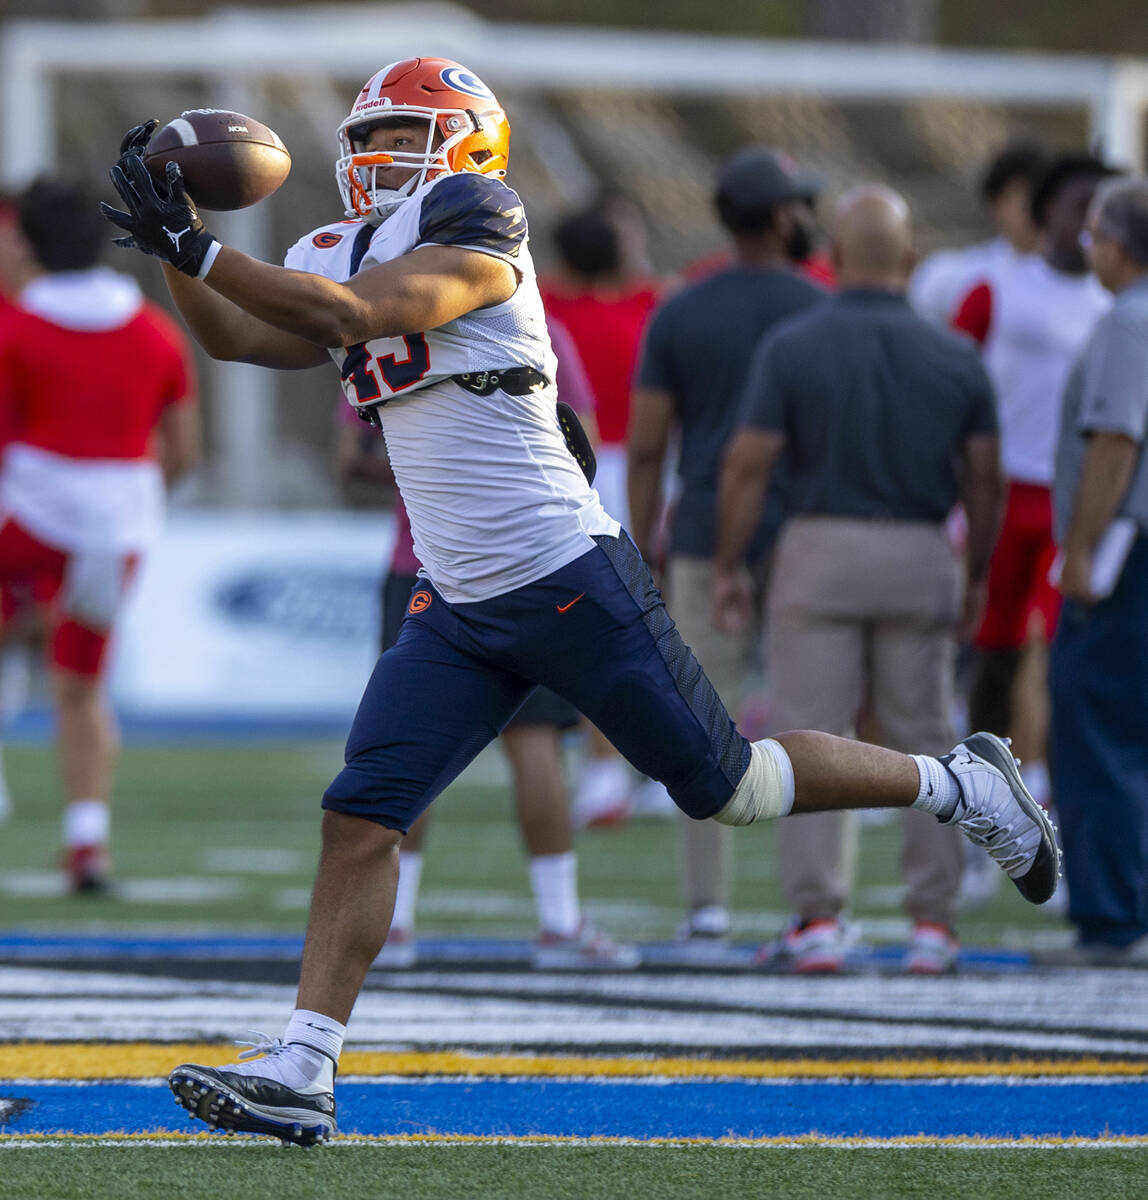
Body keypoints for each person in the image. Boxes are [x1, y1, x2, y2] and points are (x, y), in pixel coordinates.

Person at [100, 56, 1057, 1147]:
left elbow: (350, 311)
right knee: (362, 814)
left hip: (562, 572)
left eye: (404, 137)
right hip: (456, 599)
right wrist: (172, 244)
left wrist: (201, 245)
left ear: (465, 146)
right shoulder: (328, 244)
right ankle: (305, 1066)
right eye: (367, 139)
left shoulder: (477, 218)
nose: (376, 160)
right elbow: (239, 332)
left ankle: (957, 782)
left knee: (729, 788)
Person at [714, 186, 1004, 975]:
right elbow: (984, 479)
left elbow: (748, 463)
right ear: (909, 261)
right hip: (919, 550)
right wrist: (975, 569)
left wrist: (733, 561)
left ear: (834, 259)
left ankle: (816, 918)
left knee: (812, 731)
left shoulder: (795, 344)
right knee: (926, 742)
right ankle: (933, 924)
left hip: (818, 549)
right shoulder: (956, 353)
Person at [337, 319, 635, 970]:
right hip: (525, 562)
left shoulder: (382, 336)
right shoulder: (540, 326)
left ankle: (395, 925)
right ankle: (558, 922)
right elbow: (578, 450)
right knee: (535, 744)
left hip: (423, 563)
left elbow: (352, 459)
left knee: (409, 748)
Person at [627, 147, 827, 953]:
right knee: (815, 720)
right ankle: (816, 911)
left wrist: (641, 540)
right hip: (806, 534)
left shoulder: (681, 309)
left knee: (699, 728)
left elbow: (645, 447)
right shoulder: (821, 305)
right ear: (782, 217)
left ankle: (707, 907)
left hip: (708, 533)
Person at [0, 178, 198, 893]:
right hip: (120, 523)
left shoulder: (16, 329)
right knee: (81, 685)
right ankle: (88, 843)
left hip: (27, 514)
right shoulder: (155, 330)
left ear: (26, 243)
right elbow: (181, 452)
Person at [953, 153, 1117, 818]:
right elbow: (953, 377)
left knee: (1051, 647)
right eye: (1082, 205)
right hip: (999, 492)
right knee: (991, 651)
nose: (1090, 221)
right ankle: (983, 785)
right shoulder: (995, 288)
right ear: (1047, 209)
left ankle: (1045, 783)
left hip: (1072, 500)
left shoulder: (1118, 302)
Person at [540, 200, 668, 828]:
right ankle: (659, 765)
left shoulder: (546, 307)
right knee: (652, 624)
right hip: (644, 471)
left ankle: (601, 773)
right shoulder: (649, 307)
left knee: (591, 625)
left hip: (571, 467)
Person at [1046, 179, 1148, 964]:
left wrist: (1078, 552)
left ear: (1116, 245)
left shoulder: (1129, 320)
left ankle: (1114, 918)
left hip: (1130, 555)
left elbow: (1115, 441)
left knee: (1097, 728)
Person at [909, 141, 1047, 326]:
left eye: (1042, 197)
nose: (1033, 209)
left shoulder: (1080, 283)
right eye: (1022, 198)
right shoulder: (953, 276)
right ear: (995, 205)